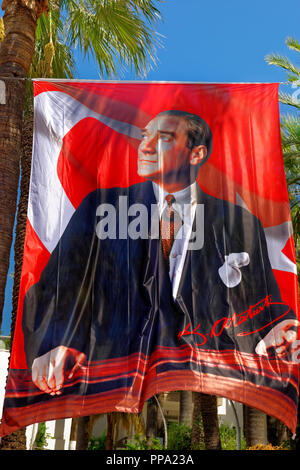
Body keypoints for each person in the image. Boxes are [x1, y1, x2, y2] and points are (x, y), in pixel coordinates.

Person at [22, 110, 299, 397]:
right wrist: (49, 346)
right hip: (108, 380)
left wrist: (278, 327)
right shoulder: (102, 208)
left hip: (202, 384)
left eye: (163, 138)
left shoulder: (237, 222)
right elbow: (55, 286)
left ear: (196, 154)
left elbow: (261, 299)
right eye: (145, 136)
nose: (146, 145)